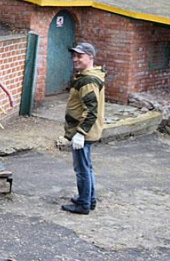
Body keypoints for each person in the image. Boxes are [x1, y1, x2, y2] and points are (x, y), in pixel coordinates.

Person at [61, 43, 105, 215]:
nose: (75, 59)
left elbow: (91, 110)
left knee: (82, 169)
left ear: (90, 58)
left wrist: (80, 133)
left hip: (84, 132)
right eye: (74, 56)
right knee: (87, 167)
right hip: (88, 131)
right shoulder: (91, 76)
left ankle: (84, 204)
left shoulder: (88, 80)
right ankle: (89, 199)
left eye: (80, 56)